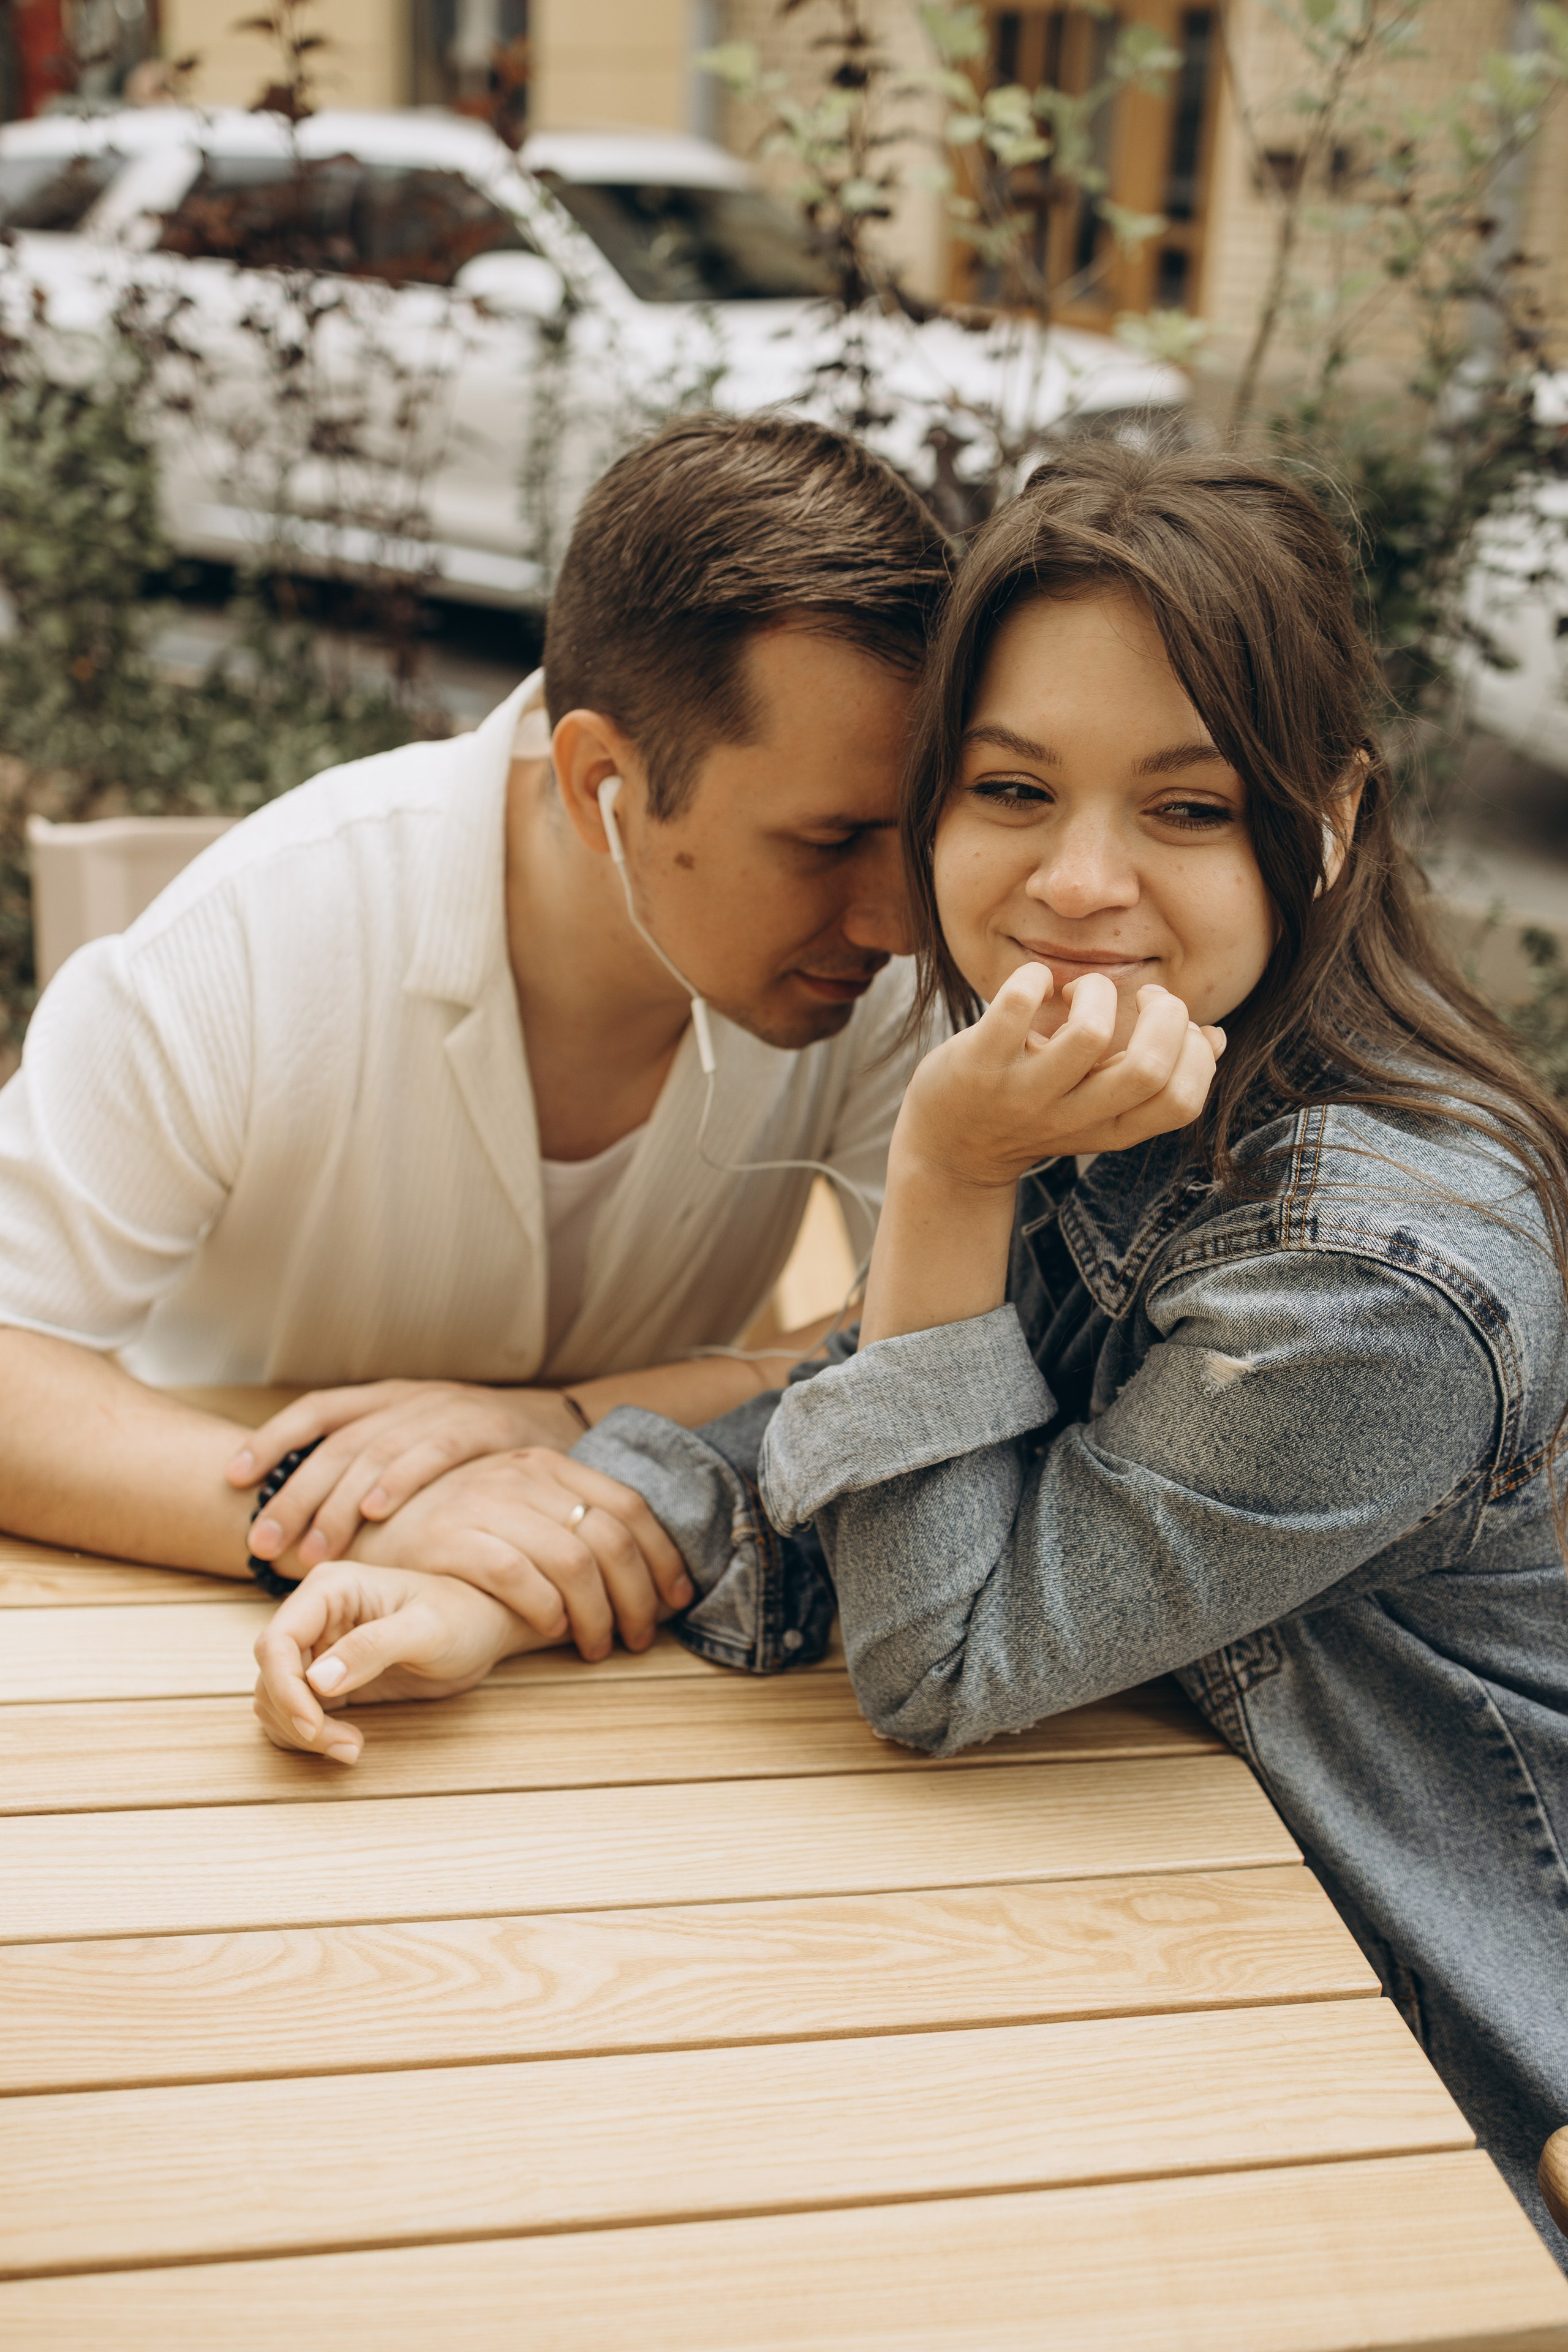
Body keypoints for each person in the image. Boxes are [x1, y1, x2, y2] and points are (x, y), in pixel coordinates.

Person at [254, 440, 1568, 2261]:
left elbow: (941, 1645)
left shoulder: (1370, 1280)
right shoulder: (1140, 1075)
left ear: (1328, 819)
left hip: (1418, 2056)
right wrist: (524, 1564)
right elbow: (874, 1427)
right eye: (1012, 787)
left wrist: (941, 1174)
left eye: (1188, 810)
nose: (1080, 882)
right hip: (1136, 1915)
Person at [0, 411, 951, 1649]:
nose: (894, 918)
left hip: (634, 1628)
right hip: (204, 1616)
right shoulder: (264, 928)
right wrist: (339, 1519)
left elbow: (924, 1350)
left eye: (911, 830)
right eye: (827, 841)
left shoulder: (877, 964)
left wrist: (564, 1419)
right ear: (597, 782)